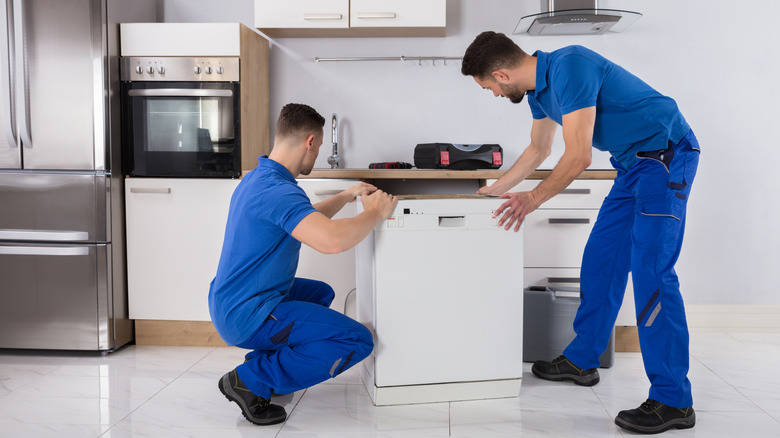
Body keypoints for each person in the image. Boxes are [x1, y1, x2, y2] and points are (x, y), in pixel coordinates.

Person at [461, 31, 699, 434]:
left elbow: (579, 155)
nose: (495, 95)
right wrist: (497, 188)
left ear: (502, 75)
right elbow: (539, 149)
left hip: (666, 158)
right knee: (601, 261)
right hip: (632, 166)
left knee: (652, 273)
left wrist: (531, 199)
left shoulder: (571, 65)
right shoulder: (540, 92)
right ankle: (582, 359)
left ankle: (674, 399)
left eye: (489, 88)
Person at [209, 103, 398, 426]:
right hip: (247, 314)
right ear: (310, 141)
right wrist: (374, 213)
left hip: (233, 301)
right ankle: (250, 379)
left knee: (319, 294)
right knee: (355, 340)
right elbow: (331, 241)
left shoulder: (261, 178)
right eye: (320, 147)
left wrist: (346, 194)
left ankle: (270, 366)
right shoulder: (278, 191)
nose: (318, 154)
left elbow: (305, 219)